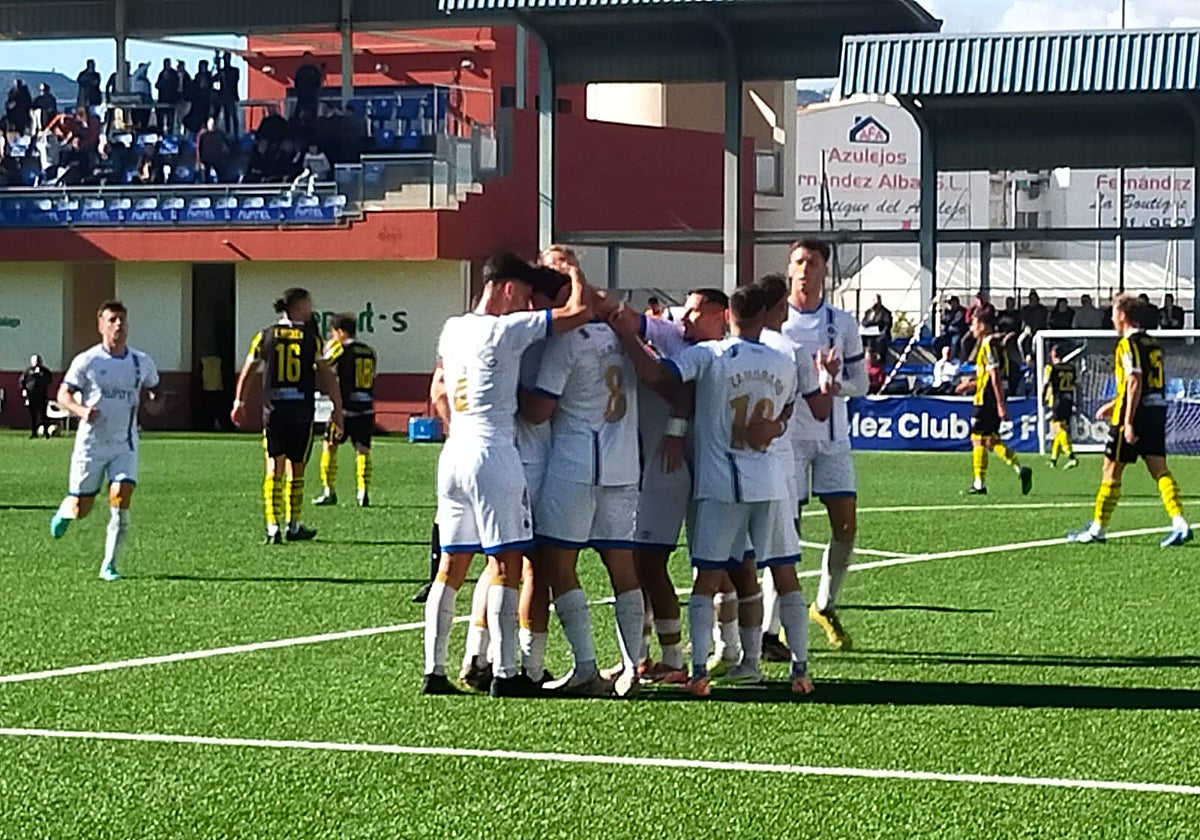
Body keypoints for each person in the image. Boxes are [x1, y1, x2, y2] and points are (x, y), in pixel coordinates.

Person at [616, 284, 817, 698]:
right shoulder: (783, 360)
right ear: (766, 316)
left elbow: (659, 375)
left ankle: (698, 672)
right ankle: (798, 670)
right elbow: (790, 409)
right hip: (771, 482)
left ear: (728, 316)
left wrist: (625, 336)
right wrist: (774, 427)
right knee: (783, 574)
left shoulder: (711, 355)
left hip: (721, 482)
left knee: (707, 578)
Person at [422, 253, 591, 698]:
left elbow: (438, 386)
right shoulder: (504, 330)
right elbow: (578, 313)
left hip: (453, 451)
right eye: (524, 292)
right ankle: (506, 671)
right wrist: (574, 273)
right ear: (509, 289)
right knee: (507, 563)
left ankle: (434, 671)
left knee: (451, 568)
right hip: (492, 452)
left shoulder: (452, 327)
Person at [520, 280, 644, 698]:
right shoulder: (621, 334)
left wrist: (506, 394)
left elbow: (538, 412)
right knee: (622, 567)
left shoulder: (565, 342)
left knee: (559, 565)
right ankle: (633, 666)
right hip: (624, 463)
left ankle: (586, 666)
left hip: (576, 465)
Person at [782, 239, 869, 652]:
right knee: (786, 533)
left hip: (833, 440)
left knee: (846, 526)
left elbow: (862, 383)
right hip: (789, 442)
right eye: (798, 261)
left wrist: (833, 385)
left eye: (811, 262)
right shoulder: (775, 322)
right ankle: (776, 621)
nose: (803, 269)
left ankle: (825, 604)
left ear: (824, 271)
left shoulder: (842, 322)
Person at [48, 302, 162, 581]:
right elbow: (64, 395)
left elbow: (155, 389)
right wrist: (81, 410)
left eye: (122, 320)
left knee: (121, 495)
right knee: (82, 509)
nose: (118, 326)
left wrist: (155, 404)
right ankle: (67, 510)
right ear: (101, 325)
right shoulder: (87, 361)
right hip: (91, 445)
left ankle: (109, 565)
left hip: (125, 444)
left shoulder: (140, 361)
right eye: (112, 320)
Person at [1069, 294, 1190, 547]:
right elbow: (1145, 382)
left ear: (1123, 315)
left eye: (1113, 312)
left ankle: (1097, 529)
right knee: (1159, 470)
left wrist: (1128, 419)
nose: (1111, 318)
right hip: (1156, 410)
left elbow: (1134, 381)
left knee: (1110, 470)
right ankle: (1179, 522)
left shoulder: (1128, 344)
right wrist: (1113, 403)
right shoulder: (1152, 343)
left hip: (1133, 414)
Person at [231, 288, 344, 544]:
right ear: (295, 306)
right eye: (307, 304)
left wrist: (240, 400)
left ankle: (272, 525)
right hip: (301, 411)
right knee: (297, 468)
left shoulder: (265, 335)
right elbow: (326, 374)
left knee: (274, 467)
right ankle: (293, 523)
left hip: (274, 410)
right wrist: (337, 407)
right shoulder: (310, 338)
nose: (311, 309)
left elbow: (248, 369)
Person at [956, 311, 1032, 496]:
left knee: (977, 439)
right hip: (988, 396)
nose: (972, 328)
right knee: (991, 440)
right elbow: (987, 376)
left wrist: (1000, 403)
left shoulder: (988, 344)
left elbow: (995, 375)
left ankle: (979, 484)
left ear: (982, 325)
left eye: (974, 324)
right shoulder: (994, 344)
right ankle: (1020, 469)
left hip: (985, 400)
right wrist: (970, 384)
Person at [314, 314, 377, 507]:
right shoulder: (369, 351)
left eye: (333, 333)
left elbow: (322, 365)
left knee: (329, 445)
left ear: (340, 332)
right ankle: (363, 491)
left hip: (345, 408)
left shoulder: (340, 348)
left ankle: (329, 490)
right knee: (363, 450)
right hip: (366, 407)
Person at [1043, 345, 1079, 470]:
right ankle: (1053, 460)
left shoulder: (1051, 368)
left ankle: (1071, 457)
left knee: (1059, 429)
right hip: (1068, 400)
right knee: (1058, 430)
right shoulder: (1071, 368)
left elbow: (1046, 384)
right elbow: (1075, 385)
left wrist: (1043, 398)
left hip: (1057, 400)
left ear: (1053, 354)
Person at [19, 355, 53, 438]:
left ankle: (46, 432)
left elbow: (49, 380)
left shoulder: (45, 371)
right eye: (35, 361)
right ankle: (34, 433)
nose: (36, 362)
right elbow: (22, 380)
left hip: (41, 396)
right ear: (31, 362)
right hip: (31, 396)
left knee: (43, 415)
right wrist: (24, 389)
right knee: (33, 415)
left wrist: (39, 375)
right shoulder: (28, 371)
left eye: (38, 360)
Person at [155, 59, 180, 135]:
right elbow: (157, 85)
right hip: (162, 100)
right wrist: (163, 80)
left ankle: (170, 134)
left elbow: (177, 86)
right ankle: (160, 133)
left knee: (170, 120)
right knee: (160, 119)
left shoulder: (174, 74)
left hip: (171, 100)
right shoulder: (162, 74)